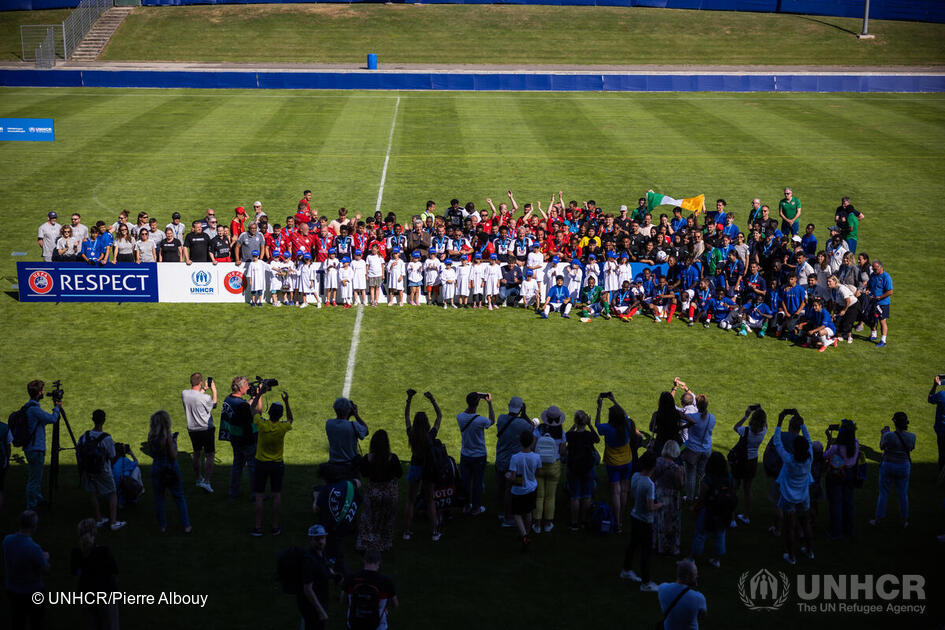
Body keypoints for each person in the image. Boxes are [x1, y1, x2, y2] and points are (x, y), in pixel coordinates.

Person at [771, 409, 814, 565]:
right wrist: (802, 424)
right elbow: (808, 440)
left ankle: (791, 556)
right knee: (806, 524)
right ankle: (809, 551)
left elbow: (777, 442)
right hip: (804, 495)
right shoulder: (809, 458)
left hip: (788, 497)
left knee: (789, 528)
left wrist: (779, 421)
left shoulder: (789, 460)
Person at [595, 392, 640, 533]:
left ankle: (618, 521)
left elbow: (597, 424)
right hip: (627, 461)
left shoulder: (608, 428)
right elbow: (625, 414)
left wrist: (599, 407)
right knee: (624, 489)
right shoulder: (627, 424)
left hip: (613, 463)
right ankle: (621, 516)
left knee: (615, 492)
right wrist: (614, 400)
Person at [619, 450, 663, 592]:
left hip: (635, 516)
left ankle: (626, 569)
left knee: (633, 545)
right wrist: (661, 504)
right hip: (645, 521)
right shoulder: (649, 484)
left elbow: (633, 494)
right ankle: (646, 582)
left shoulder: (636, 476)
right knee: (646, 552)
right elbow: (650, 507)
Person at [402, 390, 443, 542]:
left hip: (414, 467)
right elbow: (439, 416)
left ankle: (406, 532)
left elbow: (406, 416)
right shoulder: (430, 435)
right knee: (430, 500)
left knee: (410, 500)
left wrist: (409, 399)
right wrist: (432, 399)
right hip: (427, 469)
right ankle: (434, 533)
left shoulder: (411, 434)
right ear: (426, 423)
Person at [252, 392, 294, 537]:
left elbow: (252, 410)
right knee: (276, 495)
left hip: (261, 464)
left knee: (259, 496)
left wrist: (259, 394)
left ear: (269, 413)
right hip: (276, 465)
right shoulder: (283, 427)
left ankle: (257, 527)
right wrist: (287, 402)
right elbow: (290, 419)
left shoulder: (262, 424)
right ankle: (275, 526)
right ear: (280, 415)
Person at [76, 410, 126, 531]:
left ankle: (99, 520)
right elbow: (113, 455)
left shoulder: (85, 436)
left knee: (93, 493)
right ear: (104, 420)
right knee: (113, 492)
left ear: (92, 419)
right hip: (103, 470)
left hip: (88, 470)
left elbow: (79, 451)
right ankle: (113, 522)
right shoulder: (107, 438)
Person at [356, 430, 403, 552]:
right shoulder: (392, 458)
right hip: (389, 494)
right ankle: (384, 543)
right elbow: (399, 474)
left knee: (370, 519)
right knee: (387, 519)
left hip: (373, 493)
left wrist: (363, 461)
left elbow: (364, 474)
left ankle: (368, 543)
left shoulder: (368, 458)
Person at [146, 410, 192, 534]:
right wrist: (174, 444)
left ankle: (162, 526)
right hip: (170, 467)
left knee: (159, 498)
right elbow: (173, 456)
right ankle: (186, 525)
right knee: (179, 496)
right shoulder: (167, 438)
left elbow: (151, 453)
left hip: (157, 467)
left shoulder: (151, 436)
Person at [3, 510, 49, 630]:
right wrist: (45, 558)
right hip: (33, 591)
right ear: (33, 527)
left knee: (17, 621)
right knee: (37, 622)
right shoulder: (34, 548)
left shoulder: (7, 541)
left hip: (13, 589)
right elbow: (45, 569)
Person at [71, 518, 119, 630]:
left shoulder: (76, 553)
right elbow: (114, 573)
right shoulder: (104, 551)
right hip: (107, 597)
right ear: (94, 532)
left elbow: (76, 576)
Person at [493, 396, 534, 528]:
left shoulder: (500, 419)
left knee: (501, 488)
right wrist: (525, 414)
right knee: (511, 490)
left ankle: (502, 512)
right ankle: (508, 517)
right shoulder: (522, 424)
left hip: (500, 459)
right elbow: (532, 426)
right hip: (513, 463)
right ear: (520, 408)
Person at [869, 412, 914, 529]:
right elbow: (911, 448)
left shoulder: (889, 436)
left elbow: (881, 446)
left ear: (895, 423)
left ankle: (878, 519)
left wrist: (883, 434)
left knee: (883, 493)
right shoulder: (911, 436)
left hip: (888, 465)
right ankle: (904, 520)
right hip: (903, 466)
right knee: (903, 494)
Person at [222, 376, 264, 499]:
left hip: (234, 437)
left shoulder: (228, 399)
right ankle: (256, 494)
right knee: (252, 466)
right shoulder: (241, 405)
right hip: (246, 439)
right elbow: (256, 413)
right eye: (246, 385)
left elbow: (245, 408)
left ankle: (233, 493)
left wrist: (253, 398)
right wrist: (259, 394)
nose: (249, 387)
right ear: (240, 388)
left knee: (237, 466)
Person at [688, 452, 733, 569]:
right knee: (720, 534)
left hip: (709, 510)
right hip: (724, 510)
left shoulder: (707, 480)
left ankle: (692, 558)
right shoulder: (729, 478)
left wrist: (695, 507)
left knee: (701, 534)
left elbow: (701, 497)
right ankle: (717, 560)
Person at [22, 379, 61, 510]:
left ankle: (37, 500)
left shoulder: (29, 407)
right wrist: (57, 407)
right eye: (42, 390)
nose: (44, 392)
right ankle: (31, 507)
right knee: (34, 480)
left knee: (35, 477)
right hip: (35, 449)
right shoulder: (34, 410)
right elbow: (53, 419)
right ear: (39, 393)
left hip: (32, 448)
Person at [456, 391, 495, 516]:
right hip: (479, 455)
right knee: (477, 482)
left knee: (465, 481)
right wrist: (489, 404)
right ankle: (476, 508)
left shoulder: (459, 417)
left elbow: (466, 411)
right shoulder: (481, 420)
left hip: (465, 454)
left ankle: (466, 506)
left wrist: (474, 397)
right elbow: (492, 421)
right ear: (478, 404)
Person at [343, 549, 398, 630]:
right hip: (378, 625)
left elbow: (342, 600)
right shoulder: (386, 581)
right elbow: (395, 604)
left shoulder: (351, 578)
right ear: (379, 562)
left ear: (363, 560)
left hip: (354, 624)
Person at [181, 372, 217, 493]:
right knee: (210, 455)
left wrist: (204, 389)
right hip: (206, 429)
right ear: (200, 382)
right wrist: (213, 390)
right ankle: (206, 481)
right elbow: (214, 404)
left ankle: (198, 479)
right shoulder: (206, 398)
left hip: (192, 430)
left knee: (197, 453)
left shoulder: (184, 394)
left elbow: (196, 396)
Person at [532, 405, 566, 534]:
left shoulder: (539, 430)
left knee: (539, 496)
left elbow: (533, 446)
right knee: (550, 497)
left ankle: (537, 524)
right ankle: (547, 523)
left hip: (539, 465)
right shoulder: (561, 433)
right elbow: (563, 452)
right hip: (554, 466)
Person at [731, 405, 767, 525]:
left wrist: (746, 415)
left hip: (741, 460)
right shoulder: (763, 432)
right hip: (752, 462)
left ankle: (732, 519)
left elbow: (735, 427)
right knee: (747, 490)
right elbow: (765, 424)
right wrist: (760, 412)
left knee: (734, 488)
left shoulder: (745, 431)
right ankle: (746, 516)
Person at [824, 419, 860, 540]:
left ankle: (836, 533)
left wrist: (829, 440)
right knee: (849, 503)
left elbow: (825, 456)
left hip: (837, 475)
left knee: (836, 504)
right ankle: (850, 530)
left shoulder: (836, 447)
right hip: (851, 474)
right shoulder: (856, 443)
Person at [507, 428, 541, 551]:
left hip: (518, 490)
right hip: (531, 488)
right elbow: (537, 472)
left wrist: (508, 476)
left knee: (516, 514)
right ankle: (526, 533)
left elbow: (513, 477)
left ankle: (524, 536)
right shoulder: (537, 457)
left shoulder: (515, 458)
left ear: (520, 442)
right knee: (528, 512)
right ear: (532, 441)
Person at [565, 410, 599, 531]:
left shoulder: (571, 435)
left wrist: (573, 426)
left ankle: (574, 523)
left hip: (574, 467)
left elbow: (564, 436)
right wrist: (590, 425)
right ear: (585, 421)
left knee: (575, 496)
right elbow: (597, 439)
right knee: (587, 495)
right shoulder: (589, 435)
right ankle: (584, 521)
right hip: (587, 467)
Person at [652, 441, 684, 556]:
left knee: (658, 520)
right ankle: (670, 547)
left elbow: (652, 478)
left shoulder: (657, 462)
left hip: (658, 493)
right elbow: (679, 486)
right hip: (671, 498)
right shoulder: (676, 468)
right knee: (671, 523)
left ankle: (657, 543)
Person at [682, 392, 715, 501]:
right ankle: (701, 496)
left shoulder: (692, 417)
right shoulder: (712, 418)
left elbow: (680, 416)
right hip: (706, 449)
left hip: (692, 449)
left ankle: (690, 498)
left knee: (690, 475)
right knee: (702, 474)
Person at [325, 397, 369, 479]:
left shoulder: (329, 424)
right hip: (350, 466)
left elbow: (343, 424)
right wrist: (356, 415)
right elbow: (366, 431)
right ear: (349, 410)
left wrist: (348, 413)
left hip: (333, 465)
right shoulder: (354, 425)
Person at [657, 559, 707, 630]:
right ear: (687, 576)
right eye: (695, 574)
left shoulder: (662, 588)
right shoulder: (698, 598)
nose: (697, 576)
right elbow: (702, 615)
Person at [299, 524, 332, 630]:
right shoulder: (309, 560)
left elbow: (325, 567)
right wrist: (320, 611)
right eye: (317, 538)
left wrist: (335, 576)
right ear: (311, 539)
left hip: (322, 601)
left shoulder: (322, 552)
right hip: (311, 607)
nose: (321, 541)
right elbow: (307, 589)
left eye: (322, 537)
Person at [865, 259, 893, 347]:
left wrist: (880, 297)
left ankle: (883, 340)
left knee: (882, 321)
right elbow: (869, 286)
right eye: (873, 269)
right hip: (873, 301)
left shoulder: (886, 277)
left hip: (882, 303)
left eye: (875, 269)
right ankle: (874, 334)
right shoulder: (873, 275)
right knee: (871, 318)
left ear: (880, 267)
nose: (874, 271)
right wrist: (867, 291)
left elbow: (890, 291)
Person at [930, 375, 945, 474]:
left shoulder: (942, 395)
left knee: (942, 455)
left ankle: (941, 477)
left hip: (942, 430)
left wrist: (935, 386)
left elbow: (930, 398)